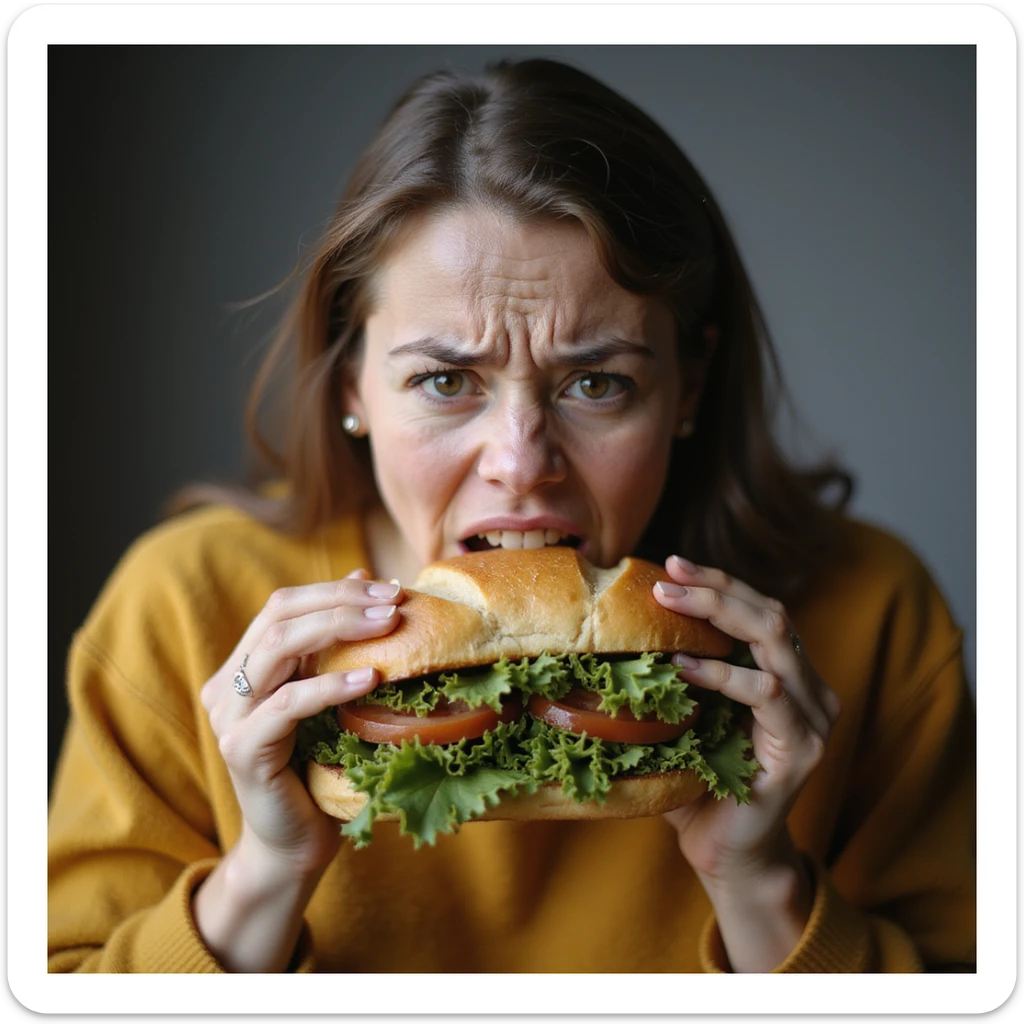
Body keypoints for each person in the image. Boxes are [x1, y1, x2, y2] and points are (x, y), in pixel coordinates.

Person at [47, 58, 975, 975]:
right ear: (351, 385)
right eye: (446, 381)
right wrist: (263, 875)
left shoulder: (870, 614)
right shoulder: (182, 608)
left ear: (687, 386)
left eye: (598, 383)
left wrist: (762, 884)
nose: (522, 465)